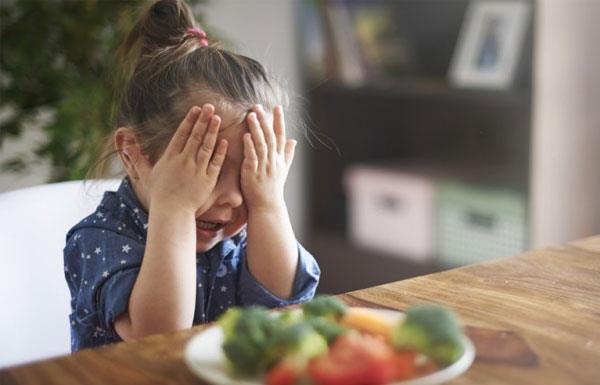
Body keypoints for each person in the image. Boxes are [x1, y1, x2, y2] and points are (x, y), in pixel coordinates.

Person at [63, 0, 320, 351]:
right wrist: (176, 208)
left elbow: (285, 302)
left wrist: (268, 203)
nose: (232, 198)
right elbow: (159, 335)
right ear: (133, 154)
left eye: (249, 172)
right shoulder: (100, 238)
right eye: (208, 169)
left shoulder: (244, 228)